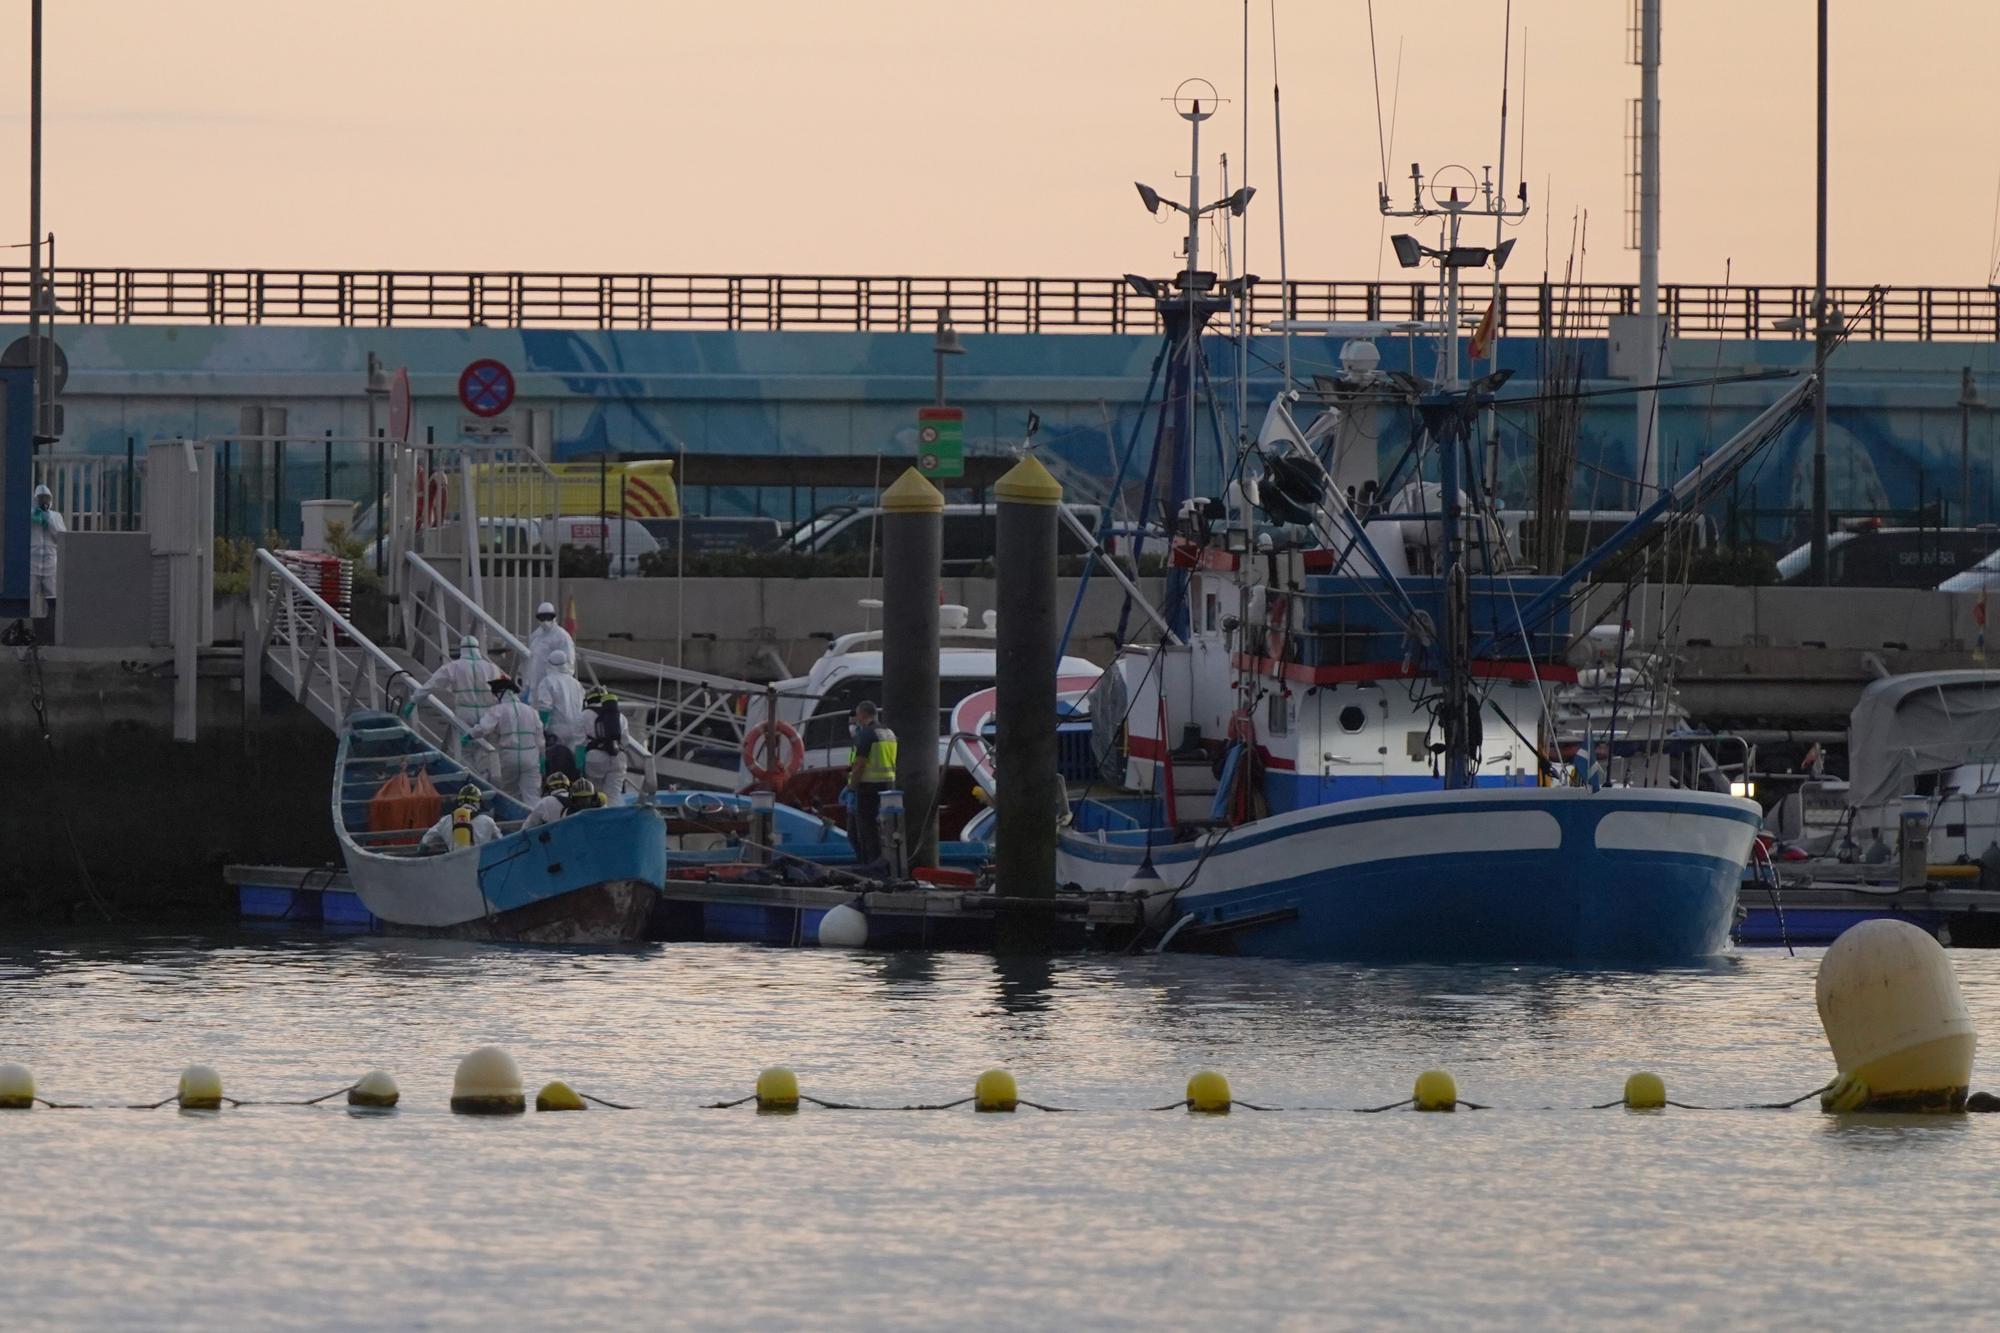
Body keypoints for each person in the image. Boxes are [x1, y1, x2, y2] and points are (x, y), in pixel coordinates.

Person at [408, 635, 500, 768]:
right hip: (487, 712)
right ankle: (485, 781)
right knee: (484, 750)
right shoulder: (492, 668)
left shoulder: (454, 666)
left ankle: (469, 781)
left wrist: (414, 700)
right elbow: (504, 691)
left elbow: (432, 684)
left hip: (465, 711)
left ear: (462, 649)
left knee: (465, 751)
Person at [472, 675, 543, 804]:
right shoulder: (532, 711)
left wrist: (470, 734)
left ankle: (514, 820)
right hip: (531, 755)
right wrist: (542, 757)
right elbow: (540, 739)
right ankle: (537, 819)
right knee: (532, 793)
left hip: (508, 755)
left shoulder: (497, 710)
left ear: (500, 693)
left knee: (509, 793)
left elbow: (482, 729)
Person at [845, 699, 898, 865]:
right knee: (884, 829)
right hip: (888, 787)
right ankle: (884, 864)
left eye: (858, 716)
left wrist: (851, 788)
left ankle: (870, 866)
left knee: (865, 831)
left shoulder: (866, 734)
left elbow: (860, 764)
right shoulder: (889, 733)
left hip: (868, 787)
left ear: (862, 714)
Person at [531, 647, 588, 773]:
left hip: (556, 730)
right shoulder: (576, 683)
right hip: (576, 728)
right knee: (573, 764)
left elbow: (545, 707)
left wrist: (541, 728)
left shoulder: (547, 682)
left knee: (557, 763)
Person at [29, 483, 66, 642]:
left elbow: (61, 538)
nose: (44, 500)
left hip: (50, 562)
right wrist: (34, 517)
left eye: (46, 498)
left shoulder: (56, 516)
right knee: (29, 597)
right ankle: (29, 630)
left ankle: (50, 631)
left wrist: (48, 520)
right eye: (41, 498)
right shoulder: (29, 514)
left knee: (53, 598)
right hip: (32, 562)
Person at [420, 784, 501, 854]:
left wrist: (422, 850)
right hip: (479, 864)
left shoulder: (445, 820)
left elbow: (426, 841)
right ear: (478, 803)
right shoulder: (488, 821)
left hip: (455, 862)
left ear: (459, 802)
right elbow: (500, 841)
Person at [583, 688, 632, 797]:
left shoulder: (584, 715)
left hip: (595, 758)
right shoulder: (620, 716)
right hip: (618, 758)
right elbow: (626, 741)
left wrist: (578, 765)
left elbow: (579, 743)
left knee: (595, 795)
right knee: (613, 797)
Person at [521, 601, 576, 693]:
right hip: (534, 687)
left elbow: (569, 663)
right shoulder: (536, 636)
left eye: (548, 617)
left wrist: (560, 685)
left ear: (554, 617)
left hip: (552, 688)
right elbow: (531, 661)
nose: (545, 621)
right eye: (542, 618)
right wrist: (527, 684)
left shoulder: (561, 636)